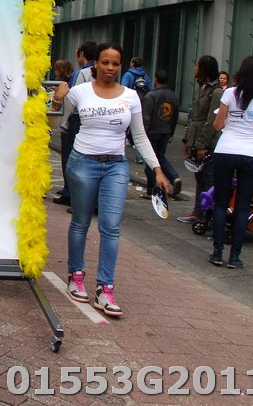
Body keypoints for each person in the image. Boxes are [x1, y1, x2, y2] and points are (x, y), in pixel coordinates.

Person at [61, 42, 169, 317]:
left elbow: (139, 136)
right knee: (81, 222)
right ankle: (75, 275)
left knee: (110, 226)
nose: (110, 68)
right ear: (96, 64)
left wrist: (157, 169)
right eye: (105, 62)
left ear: (121, 66)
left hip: (116, 167)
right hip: (83, 163)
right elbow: (58, 120)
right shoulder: (80, 91)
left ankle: (105, 288)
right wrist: (57, 98)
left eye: (116, 63)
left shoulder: (131, 96)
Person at [210, 57, 253, 268]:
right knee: (242, 206)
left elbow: (217, 125)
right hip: (250, 154)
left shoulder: (230, 93)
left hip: (225, 150)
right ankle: (235, 257)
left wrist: (233, 120)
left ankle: (217, 252)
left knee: (221, 203)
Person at [178, 55, 224, 223]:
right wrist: (187, 140)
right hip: (195, 139)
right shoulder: (201, 88)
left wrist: (202, 145)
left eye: (196, 65)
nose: (194, 68)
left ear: (203, 68)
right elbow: (193, 117)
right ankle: (198, 212)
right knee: (199, 177)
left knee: (208, 179)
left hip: (207, 143)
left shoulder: (216, 92)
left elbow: (211, 121)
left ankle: (208, 215)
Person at [53, 41, 97, 206]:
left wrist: (63, 120)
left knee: (71, 157)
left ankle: (71, 194)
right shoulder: (96, 74)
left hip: (76, 119)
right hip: (92, 120)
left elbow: (72, 99)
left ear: (82, 55)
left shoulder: (81, 73)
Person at [141, 70, 181, 199]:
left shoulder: (151, 95)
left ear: (156, 79)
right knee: (161, 157)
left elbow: (146, 116)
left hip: (152, 131)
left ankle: (151, 190)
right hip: (165, 130)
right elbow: (175, 116)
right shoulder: (173, 96)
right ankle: (174, 177)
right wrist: (171, 132)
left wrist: (144, 133)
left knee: (151, 160)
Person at [49, 58, 73, 196]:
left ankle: (68, 190)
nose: (55, 72)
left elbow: (55, 107)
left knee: (67, 156)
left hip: (66, 124)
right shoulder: (66, 83)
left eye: (56, 69)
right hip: (66, 123)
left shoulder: (62, 86)